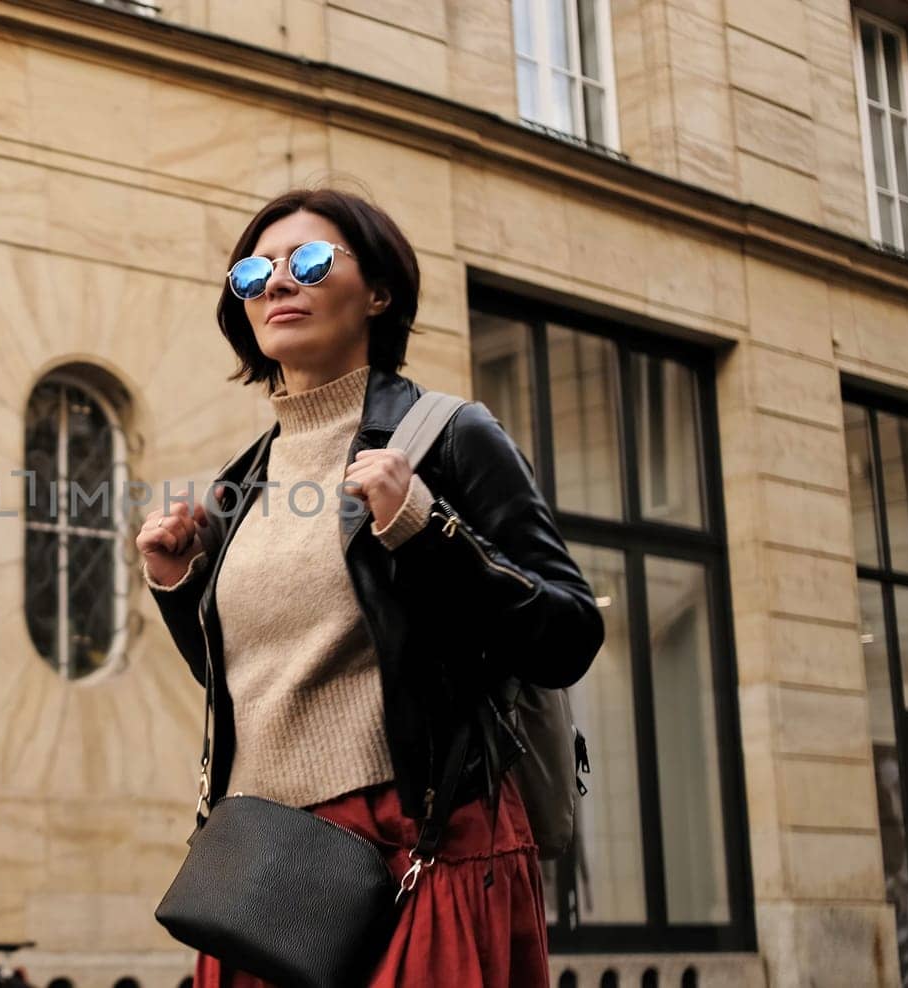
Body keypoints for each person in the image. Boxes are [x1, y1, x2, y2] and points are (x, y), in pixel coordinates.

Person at [135, 187, 604, 987]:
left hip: (422, 842)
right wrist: (178, 586)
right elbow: (259, 683)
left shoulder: (452, 437)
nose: (277, 284)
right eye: (253, 272)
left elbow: (566, 634)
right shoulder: (241, 484)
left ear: (379, 293)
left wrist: (428, 530)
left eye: (310, 262)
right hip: (271, 866)